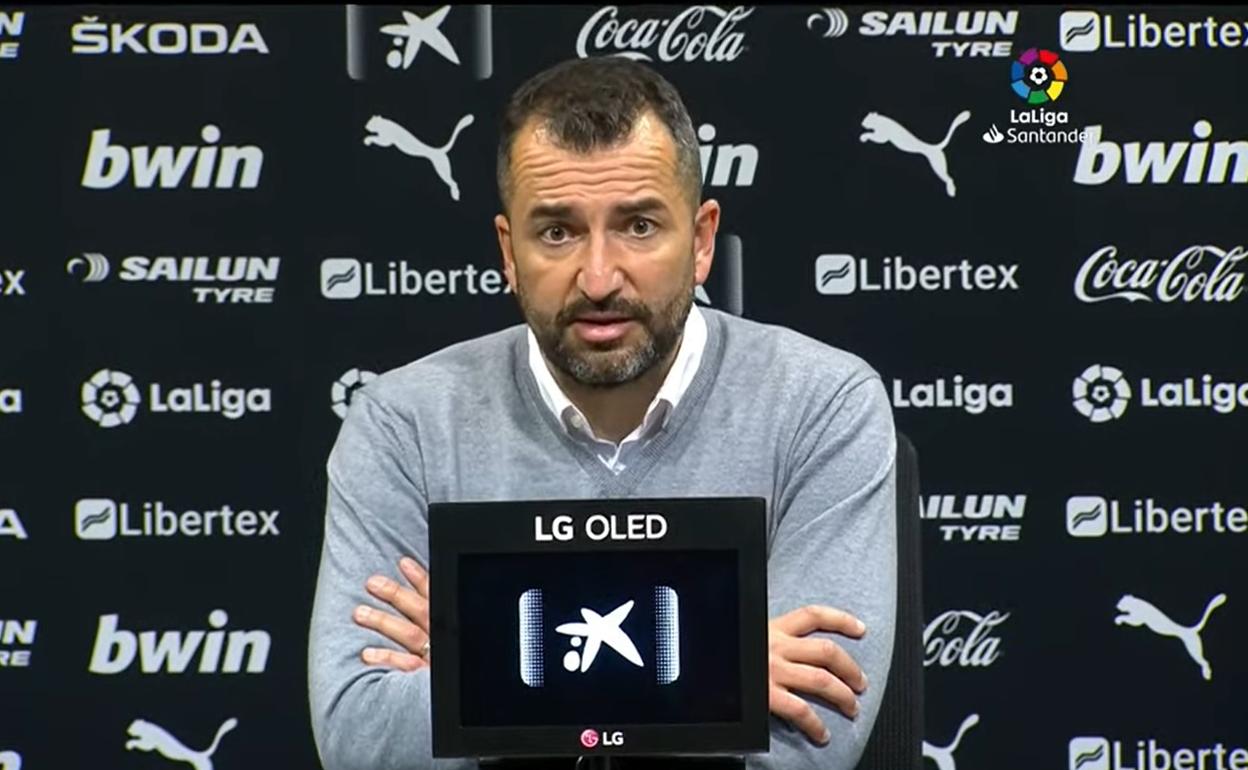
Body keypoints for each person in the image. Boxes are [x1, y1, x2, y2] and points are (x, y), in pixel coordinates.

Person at [308, 56, 897, 770]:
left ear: (704, 240)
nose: (598, 277)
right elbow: (363, 742)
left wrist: (486, 653)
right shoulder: (403, 424)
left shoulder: (821, 403)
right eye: (556, 232)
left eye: (639, 226)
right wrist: (720, 663)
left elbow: (808, 743)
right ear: (508, 251)